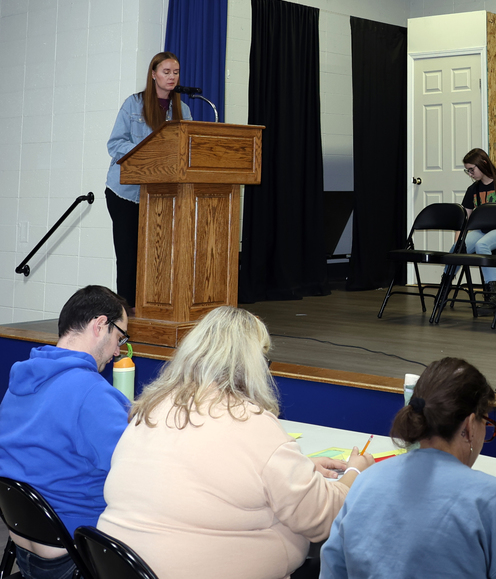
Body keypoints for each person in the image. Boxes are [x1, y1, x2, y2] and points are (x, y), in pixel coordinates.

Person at [97, 306, 373, 579]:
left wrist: (301, 467)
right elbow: (321, 519)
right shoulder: (251, 423)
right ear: (254, 364)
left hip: (120, 566)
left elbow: (201, 474)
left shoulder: (149, 410)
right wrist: (355, 474)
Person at [319, 357, 496, 579]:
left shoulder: (365, 482)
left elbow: (332, 569)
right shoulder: (490, 499)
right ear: (470, 426)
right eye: (486, 422)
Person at [0, 285, 130, 579]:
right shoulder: (91, 393)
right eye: (120, 337)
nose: (117, 350)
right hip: (77, 558)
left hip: (25, 549)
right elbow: (137, 470)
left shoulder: (21, 378)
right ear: (100, 325)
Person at [106, 51, 192, 312]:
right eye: (166, 72)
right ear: (153, 75)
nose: (172, 77)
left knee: (158, 255)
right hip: (126, 193)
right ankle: (126, 311)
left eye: (176, 72)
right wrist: (148, 150)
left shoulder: (183, 109)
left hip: (163, 194)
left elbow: (187, 149)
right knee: (129, 255)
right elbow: (115, 144)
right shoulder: (133, 104)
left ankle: (154, 307)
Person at [458, 148, 496, 305]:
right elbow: (464, 220)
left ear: (483, 164)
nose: (470, 174)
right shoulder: (473, 190)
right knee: (459, 247)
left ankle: (493, 295)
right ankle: (445, 284)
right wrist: (459, 242)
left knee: (482, 244)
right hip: (483, 231)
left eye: (472, 169)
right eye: (467, 171)